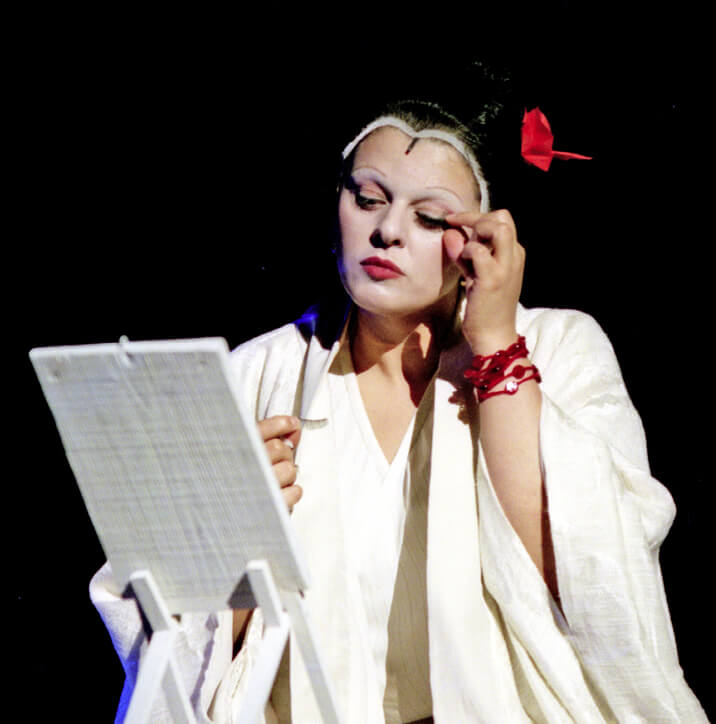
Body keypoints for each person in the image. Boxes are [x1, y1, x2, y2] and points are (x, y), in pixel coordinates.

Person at [90, 99, 709, 723]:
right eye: (367, 199)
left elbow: (590, 580)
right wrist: (237, 529)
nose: (387, 230)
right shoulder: (254, 376)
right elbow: (177, 651)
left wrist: (496, 346)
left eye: (430, 216)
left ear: (485, 236)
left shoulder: (559, 348)